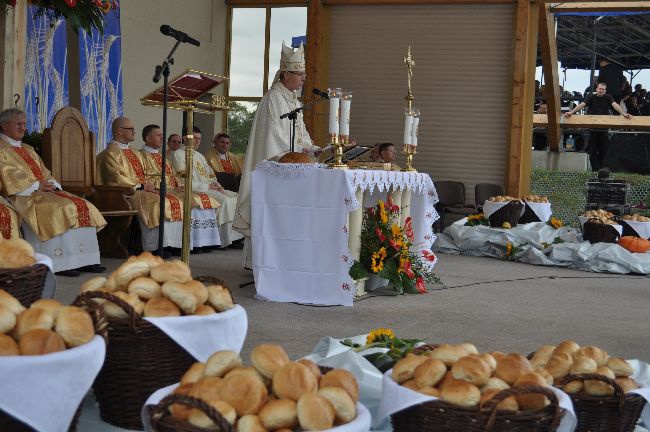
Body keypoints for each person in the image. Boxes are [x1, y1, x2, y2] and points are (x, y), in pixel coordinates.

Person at [233, 42, 321, 267]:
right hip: (276, 166)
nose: (303, 79)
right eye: (299, 74)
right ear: (286, 74)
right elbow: (273, 137)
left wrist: (311, 148)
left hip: (292, 165)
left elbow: (299, 134)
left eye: (303, 74)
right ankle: (263, 262)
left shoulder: (291, 99)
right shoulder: (273, 97)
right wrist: (298, 151)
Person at [0, 108, 106, 276]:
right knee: (62, 208)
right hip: (23, 195)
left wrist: (52, 184)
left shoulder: (28, 148)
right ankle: (62, 263)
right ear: (4, 126)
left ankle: (86, 259)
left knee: (82, 204)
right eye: (18, 124)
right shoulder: (2, 149)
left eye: (24, 124)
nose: (22, 128)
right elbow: (8, 176)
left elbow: (45, 171)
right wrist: (36, 185)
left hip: (43, 190)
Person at [96, 116, 188, 253]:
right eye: (131, 129)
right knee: (158, 203)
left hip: (141, 189)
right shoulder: (110, 154)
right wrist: (141, 186)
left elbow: (147, 175)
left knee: (173, 200)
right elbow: (114, 177)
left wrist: (152, 185)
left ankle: (170, 244)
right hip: (124, 193)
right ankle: (153, 247)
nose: (134, 132)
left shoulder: (135, 153)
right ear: (120, 131)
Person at [139, 124, 221, 252]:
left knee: (198, 199)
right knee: (171, 203)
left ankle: (197, 242)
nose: (162, 138)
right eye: (159, 135)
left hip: (172, 189)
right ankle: (161, 246)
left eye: (162, 135)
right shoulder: (140, 156)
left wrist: (179, 185)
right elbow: (141, 177)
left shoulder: (162, 157)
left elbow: (174, 175)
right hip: (155, 190)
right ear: (148, 139)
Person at [171, 126, 243, 248]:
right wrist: (208, 186)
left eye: (199, 138)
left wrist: (217, 185)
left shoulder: (199, 156)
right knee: (225, 200)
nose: (197, 141)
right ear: (185, 138)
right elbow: (183, 180)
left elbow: (211, 175)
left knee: (237, 197)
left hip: (210, 188)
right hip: (197, 189)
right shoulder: (178, 154)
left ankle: (235, 237)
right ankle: (224, 239)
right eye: (194, 138)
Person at [564, 83, 632, 171]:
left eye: (603, 89)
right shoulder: (591, 97)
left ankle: (602, 169)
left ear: (605, 91)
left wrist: (623, 113)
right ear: (596, 89)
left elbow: (615, 105)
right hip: (593, 128)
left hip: (604, 128)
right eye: (600, 89)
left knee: (604, 150)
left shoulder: (608, 97)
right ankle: (595, 169)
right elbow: (582, 105)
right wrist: (572, 112)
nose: (601, 90)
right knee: (592, 150)